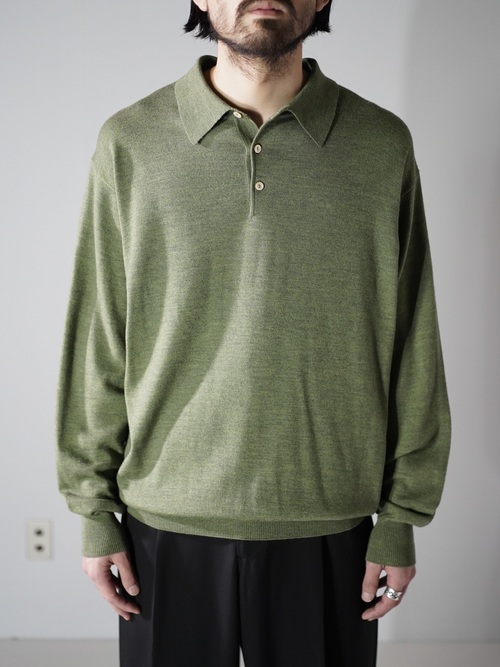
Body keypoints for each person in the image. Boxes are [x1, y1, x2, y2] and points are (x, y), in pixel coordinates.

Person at [57, 1, 451, 665]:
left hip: (331, 525)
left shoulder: (381, 145)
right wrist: (92, 508)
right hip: (165, 523)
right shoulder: (131, 142)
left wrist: (402, 516)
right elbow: (100, 331)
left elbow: (413, 339)